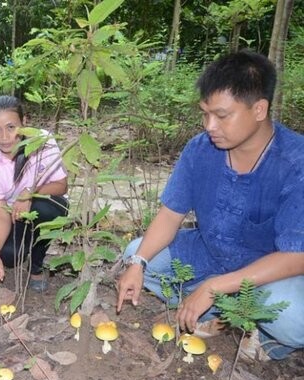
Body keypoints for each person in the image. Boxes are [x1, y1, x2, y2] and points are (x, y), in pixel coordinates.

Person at [116, 50, 304, 360]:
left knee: (295, 318)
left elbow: (298, 256)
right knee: (136, 254)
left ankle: (267, 337)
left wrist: (217, 286)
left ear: (259, 109)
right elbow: (170, 214)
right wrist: (138, 263)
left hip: (270, 274)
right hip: (208, 254)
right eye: (205, 113)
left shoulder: (295, 161)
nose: (209, 125)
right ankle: (222, 312)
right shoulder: (200, 149)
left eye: (222, 115)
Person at [0, 96, 68, 293]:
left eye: (11, 127)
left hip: (47, 203)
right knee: (8, 256)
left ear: (24, 122)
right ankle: (20, 250)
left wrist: (28, 193)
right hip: (14, 215)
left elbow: (62, 185)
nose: (4, 137)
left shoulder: (43, 141)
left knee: (44, 210)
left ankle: (36, 266)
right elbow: (1, 213)